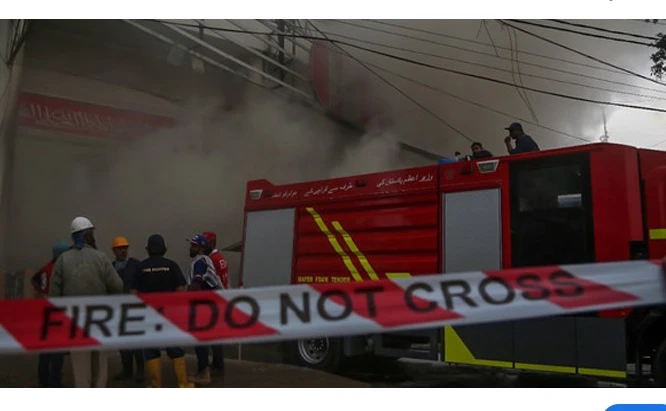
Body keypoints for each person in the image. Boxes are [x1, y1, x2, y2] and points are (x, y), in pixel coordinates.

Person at [49, 216, 124, 388]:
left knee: (80, 367)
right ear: (89, 235)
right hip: (100, 320)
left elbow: (54, 294)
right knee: (100, 364)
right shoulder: (101, 258)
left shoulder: (63, 260)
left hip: (75, 321)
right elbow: (117, 286)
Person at [128, 234, 194, 388]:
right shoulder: (172, 266)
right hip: (170, 316)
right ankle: (183, 385)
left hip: (149, 317)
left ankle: (154, 387)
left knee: (151, 351)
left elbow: (132, 292)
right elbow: (180, 289)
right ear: (164, 249)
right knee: (176, 350)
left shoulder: (140, 267)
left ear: (147, 249)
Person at [31, 241, 71, 388]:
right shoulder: (61, 269)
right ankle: (55, 382)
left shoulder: (45, 268)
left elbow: (34, 281)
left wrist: (41, 292)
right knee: (57, 351)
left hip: (45, 311)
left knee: (45, 349)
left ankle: (43, 381)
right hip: (58, 313)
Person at [186, 234, 223, 386]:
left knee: (200, 338)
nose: (191, 248)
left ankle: (204, 372)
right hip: (213, 303)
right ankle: (210, 368)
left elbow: (196, 283)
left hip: (204, 305)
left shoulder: (200, 262)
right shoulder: (204, 260)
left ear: (201, 248)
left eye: (194, 245)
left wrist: (184, 297)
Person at [110, 236, 144, 383]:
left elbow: (144, 283)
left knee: (137, 342)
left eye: (125, 248)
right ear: (114, 251)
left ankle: (141, 371)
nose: (123, 251)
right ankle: (127, 370)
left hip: (135, 309)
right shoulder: (110, 268)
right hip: (119, 310)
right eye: (120, 248)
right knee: (123, 344)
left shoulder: (136, 265)